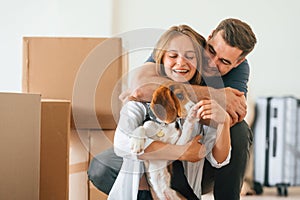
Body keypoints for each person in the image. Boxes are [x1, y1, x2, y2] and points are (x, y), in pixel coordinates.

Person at [88, 18, 257, 200]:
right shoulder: (183, 44)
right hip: (160, 153)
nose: (212, 62)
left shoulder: (237, 71)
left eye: (224, 61)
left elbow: (230, 118)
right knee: (102, 167)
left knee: (238, 130)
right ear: (208, 39)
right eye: (211, 51)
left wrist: (204, 118)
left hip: (200, 162)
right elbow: (140, 88)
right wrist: (215, 94)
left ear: (238, 63)